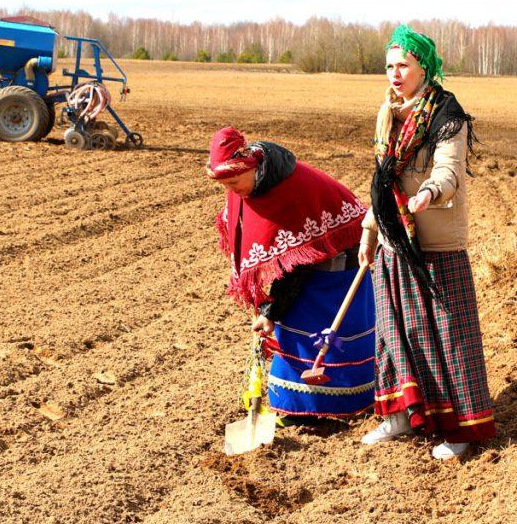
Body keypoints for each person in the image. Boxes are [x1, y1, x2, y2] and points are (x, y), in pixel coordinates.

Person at [358, 24, 495, 459]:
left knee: (450, 337)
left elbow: (448, 172)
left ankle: (461, 429)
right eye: (389, 66)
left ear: (424, 68)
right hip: (393, 240)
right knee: (393, 332)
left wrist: (429, 193)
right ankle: (400, 415)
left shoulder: (446, 114)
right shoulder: (387, 114)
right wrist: (369, 230)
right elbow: (382, 181)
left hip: (435, 242)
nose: (395, 74)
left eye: (403, 65)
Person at [208, 127, 376, 421]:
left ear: (251, 166)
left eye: (234, 182)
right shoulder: (251, 185)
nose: (232, 191)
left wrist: (271, 312)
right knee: (294, 335)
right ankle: (295, 407)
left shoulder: (290, 192)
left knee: (328, 342)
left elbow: (297, 266)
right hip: (308, 272)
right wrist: (268, 309)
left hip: (337, 274)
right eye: (226, 185)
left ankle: (340, 407)